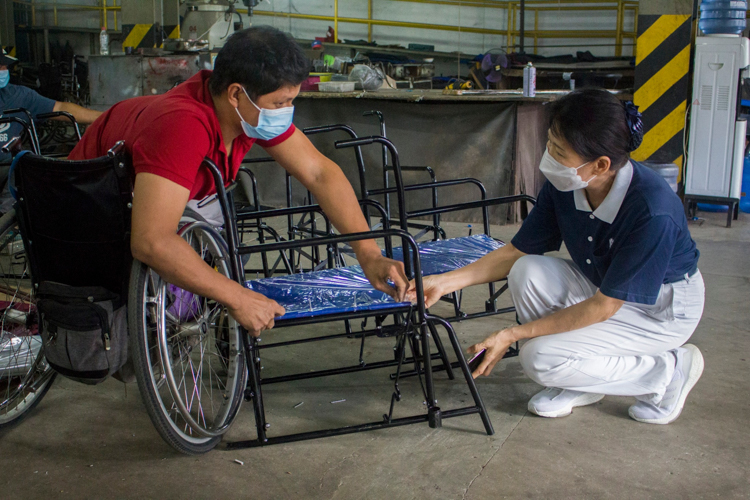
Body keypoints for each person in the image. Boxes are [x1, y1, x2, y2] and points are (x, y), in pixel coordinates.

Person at [68, 26, 409, 337]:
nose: (286, 111)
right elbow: (151, 241)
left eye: (291, 101)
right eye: (281, 103)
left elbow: (319, 172)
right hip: (91, 210)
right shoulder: (183, 126)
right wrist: (237, 296)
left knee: (217, 238)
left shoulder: (246, 115)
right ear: (235, 94)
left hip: (161, 194)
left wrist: (369, 254)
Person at [409, 88, 704, 425]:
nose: (548, 155)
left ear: (601, 164)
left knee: (537, 357)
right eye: (549, 143)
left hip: (660, 310)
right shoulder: (569, 185)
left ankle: (667, 372)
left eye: (559, 150)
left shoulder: (652, 211)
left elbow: (604, 307)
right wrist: (443, 283)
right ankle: (579, 379)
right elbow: (517, 251)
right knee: (526, 269)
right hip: (604, 286)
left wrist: (514, 334)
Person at [0, 49, 102, 163]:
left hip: (8, 169)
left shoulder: (18, 96)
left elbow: (59, 108)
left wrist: (105, 117)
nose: (4, 70)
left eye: (5, 66)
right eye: (0, 67)